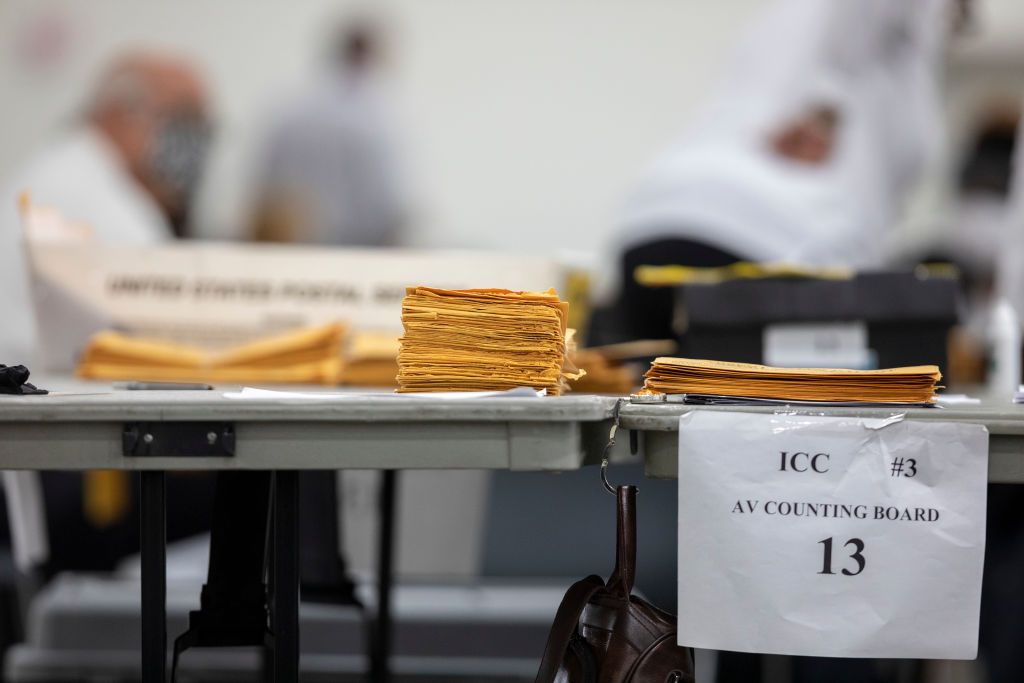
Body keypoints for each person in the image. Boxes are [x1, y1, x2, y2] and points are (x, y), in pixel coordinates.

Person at [609, 0, 953, 342]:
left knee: (664, 387)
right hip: (767, 239)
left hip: (654, 217)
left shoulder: (780, 29)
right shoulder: (882, 34)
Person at [0, 53, 212, 366]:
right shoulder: (103, 203)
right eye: (180, 119)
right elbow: (167, 334)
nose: (189, 143)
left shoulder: (60, 170)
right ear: (121, 114)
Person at [250, 18, 407, 246]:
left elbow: (264, 186)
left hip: (290, 249)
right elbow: (388, 203)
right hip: (357, 251)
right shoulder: (378, 122)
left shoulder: (288, 110)